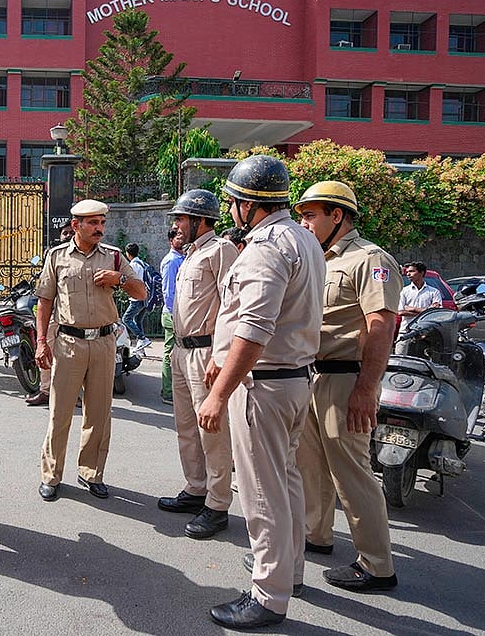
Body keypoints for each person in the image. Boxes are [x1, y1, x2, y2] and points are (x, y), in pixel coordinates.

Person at [196, 155, 325, 629]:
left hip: (264, 386)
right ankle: (290, 573)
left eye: (233, 202)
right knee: (286, 482)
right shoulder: (304, 238)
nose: (231, 209)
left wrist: (218, 393)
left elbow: (254, 328)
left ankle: (269, 596)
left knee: (261, 495)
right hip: (292, 380)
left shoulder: (266, 248)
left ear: (249, 204)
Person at [293, 181, 400, 591]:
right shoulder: (319, 259)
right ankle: (316, 534)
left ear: (337, 215)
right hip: (314, 374)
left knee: (352, 473)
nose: (305, 223)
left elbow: (381, 326)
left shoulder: (369, 258)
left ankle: (377, 564)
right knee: (311, 465)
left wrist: (366, 390)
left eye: (310, 215)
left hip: (346, 378)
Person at [34, 200, 146, 501]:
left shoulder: (114, 256)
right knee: (60, 413)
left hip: (104, 343)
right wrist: (41, 342)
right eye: (93, 223)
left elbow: (141, 292)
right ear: (76, 225)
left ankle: (91, 472)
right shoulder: (57, 257)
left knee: (99, 413)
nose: (100, 228)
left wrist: (119, 279)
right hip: (68, 344)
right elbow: (44, 302)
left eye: (102, 223)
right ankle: (51, 474)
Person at [158, 189, 239, 540]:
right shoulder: (191, 253)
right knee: (187, 427)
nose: (176, 225)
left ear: (201, 220)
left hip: (206, 352)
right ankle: (196, 488)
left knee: (212, 432)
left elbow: (232, 307)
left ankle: (218, 504)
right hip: (182, 350)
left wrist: (221, 356)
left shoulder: (221, 250)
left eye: (181, 218)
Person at [26, 220, 75, 407]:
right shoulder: (52, 254)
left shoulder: (85, 256)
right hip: (52, 312)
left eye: (71, 232)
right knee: (45, 350)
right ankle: (45, 391)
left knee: (71, 357)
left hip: (74, 317)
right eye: (65, 233)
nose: (68, 236)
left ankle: (73, 394)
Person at [159, 228, 186, 405]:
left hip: (179, 313)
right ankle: (167, 392)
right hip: (172, 314)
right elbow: (169, 293)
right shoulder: (171, 261)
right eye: (178, 237)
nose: (182, 240)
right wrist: (175, 315)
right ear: (171, 240)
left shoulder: (183, 258)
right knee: (170, 353)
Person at [121, 243, 151, 350]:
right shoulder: (142, 263)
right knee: (138, 320)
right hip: (146, 297)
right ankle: (141, 348)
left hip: (137, 298)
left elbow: (131, 282)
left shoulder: (133, 265)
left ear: (128, 254)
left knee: (126, 319)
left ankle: (142, 338)